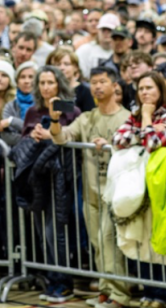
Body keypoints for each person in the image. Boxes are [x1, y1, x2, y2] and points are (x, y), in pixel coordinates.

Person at [51, 66, 132, 308]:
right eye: (93, 82)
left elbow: (133, 145)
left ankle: (120, 295)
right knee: (98, 244)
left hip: (116, 192)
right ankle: (105, 289)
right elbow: (61, 137)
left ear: (114, 86)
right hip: (91, 192)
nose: (97, 86)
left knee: (109, 243)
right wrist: (54, 120)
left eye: (102, 81)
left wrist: (111, 143)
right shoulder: (86, 118)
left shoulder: (127, 117)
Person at [113, 71, 166, 308]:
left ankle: (163, 294)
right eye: (140, 88)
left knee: (161, 237)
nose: (144, 92)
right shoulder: (134, 115)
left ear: (160, 91)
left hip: (162, 187)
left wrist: (145, 120)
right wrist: (146, 125)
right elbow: (118, 139)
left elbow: (152, 144)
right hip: (140, 186)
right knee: (142, 237)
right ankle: (148, 291)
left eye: (149, 88)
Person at [23, 66, 81, 302]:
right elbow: (23, 138)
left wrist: (51, 133)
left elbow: (72, 135)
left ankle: (63, 281)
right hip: (38, 178)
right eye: (42, 82)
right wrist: (33, 134)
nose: (46, 87)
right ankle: (51, 279)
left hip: (61, 177)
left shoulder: (70, 109)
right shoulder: (32, 110)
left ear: (60, 85)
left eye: (51, 82)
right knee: (41, 232)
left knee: (54, 233)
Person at [0, 61, 37, 146]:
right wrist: (30, 137)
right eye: (22, 77)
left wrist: (12, 121)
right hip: (16, 154)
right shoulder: (10, 106)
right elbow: (6, 136)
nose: (26, 81)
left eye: (31, 77)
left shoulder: (43, 104)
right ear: (17, 81)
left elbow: (40, 131)